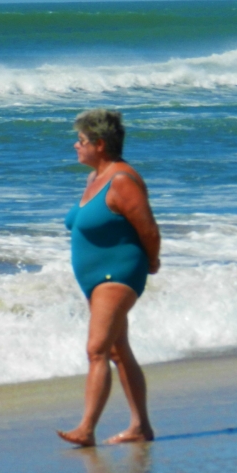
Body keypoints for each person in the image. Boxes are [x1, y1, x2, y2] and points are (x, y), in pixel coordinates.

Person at [57, 109, 160, 447]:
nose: (76, 145)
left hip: (117, 272)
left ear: (100, 144)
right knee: (117, 350)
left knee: (97, 348)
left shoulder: (122, 180)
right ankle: (140, 426)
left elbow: (148, 229)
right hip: (94, 277)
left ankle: (86, 429)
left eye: (82, 141)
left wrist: (153, 262)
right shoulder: (93, 180)